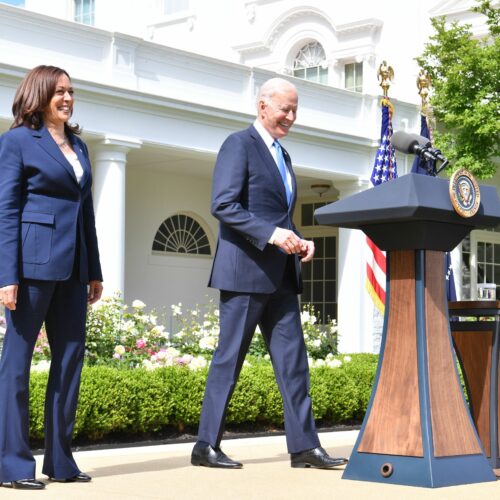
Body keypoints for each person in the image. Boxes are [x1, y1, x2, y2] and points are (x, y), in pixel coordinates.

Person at [191, 78, 348, 469]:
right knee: (229, 360)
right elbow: (223, 205)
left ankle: (304, 448)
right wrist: (275, 235)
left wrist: (298, 238)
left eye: (295, 111)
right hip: (244, 274)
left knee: (294, 363)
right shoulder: (238, 145)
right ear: (263, 105)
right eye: (285, 109)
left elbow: (278, 214)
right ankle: (205, 445)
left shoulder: (284, 156)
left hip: (280, 276)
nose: (291, 117)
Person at [0, 65, 103, 490]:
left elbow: (87, 213)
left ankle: (60, 461)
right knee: (17, 366)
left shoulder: (78, 146)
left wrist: (93, 269)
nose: (67, 98)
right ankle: (12, 465)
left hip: (74, 269)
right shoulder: (17, 142)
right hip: (32, 267)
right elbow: (6, 211)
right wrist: (7, 276)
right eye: (59, 91)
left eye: (71, 91)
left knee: (69, 363)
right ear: (39, 95)